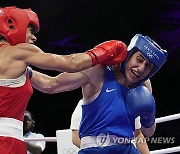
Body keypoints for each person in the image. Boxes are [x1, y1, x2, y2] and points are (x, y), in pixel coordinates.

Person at [0, 6, 127, 154]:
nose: (34, 37)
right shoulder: (19, 51)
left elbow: (50, 85)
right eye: (30, 30)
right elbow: (71, 63)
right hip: (5, 142)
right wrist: (104, 52)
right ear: (13, 25)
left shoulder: (20, 68)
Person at [29, 33, 168, 153]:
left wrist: (149, 116)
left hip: (127, 149)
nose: (141, 68)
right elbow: (51, 85)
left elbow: (148, 132)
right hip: (94, 149)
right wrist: (24, 69)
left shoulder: (144, 85)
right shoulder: (97, 71)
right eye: (139, 59)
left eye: (148, 66)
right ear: (129, 54)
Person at [70, 99, 150, 153]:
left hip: (125, 149)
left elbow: (138, 134)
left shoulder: (129, 101)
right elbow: (75, 137)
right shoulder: (85, 102)